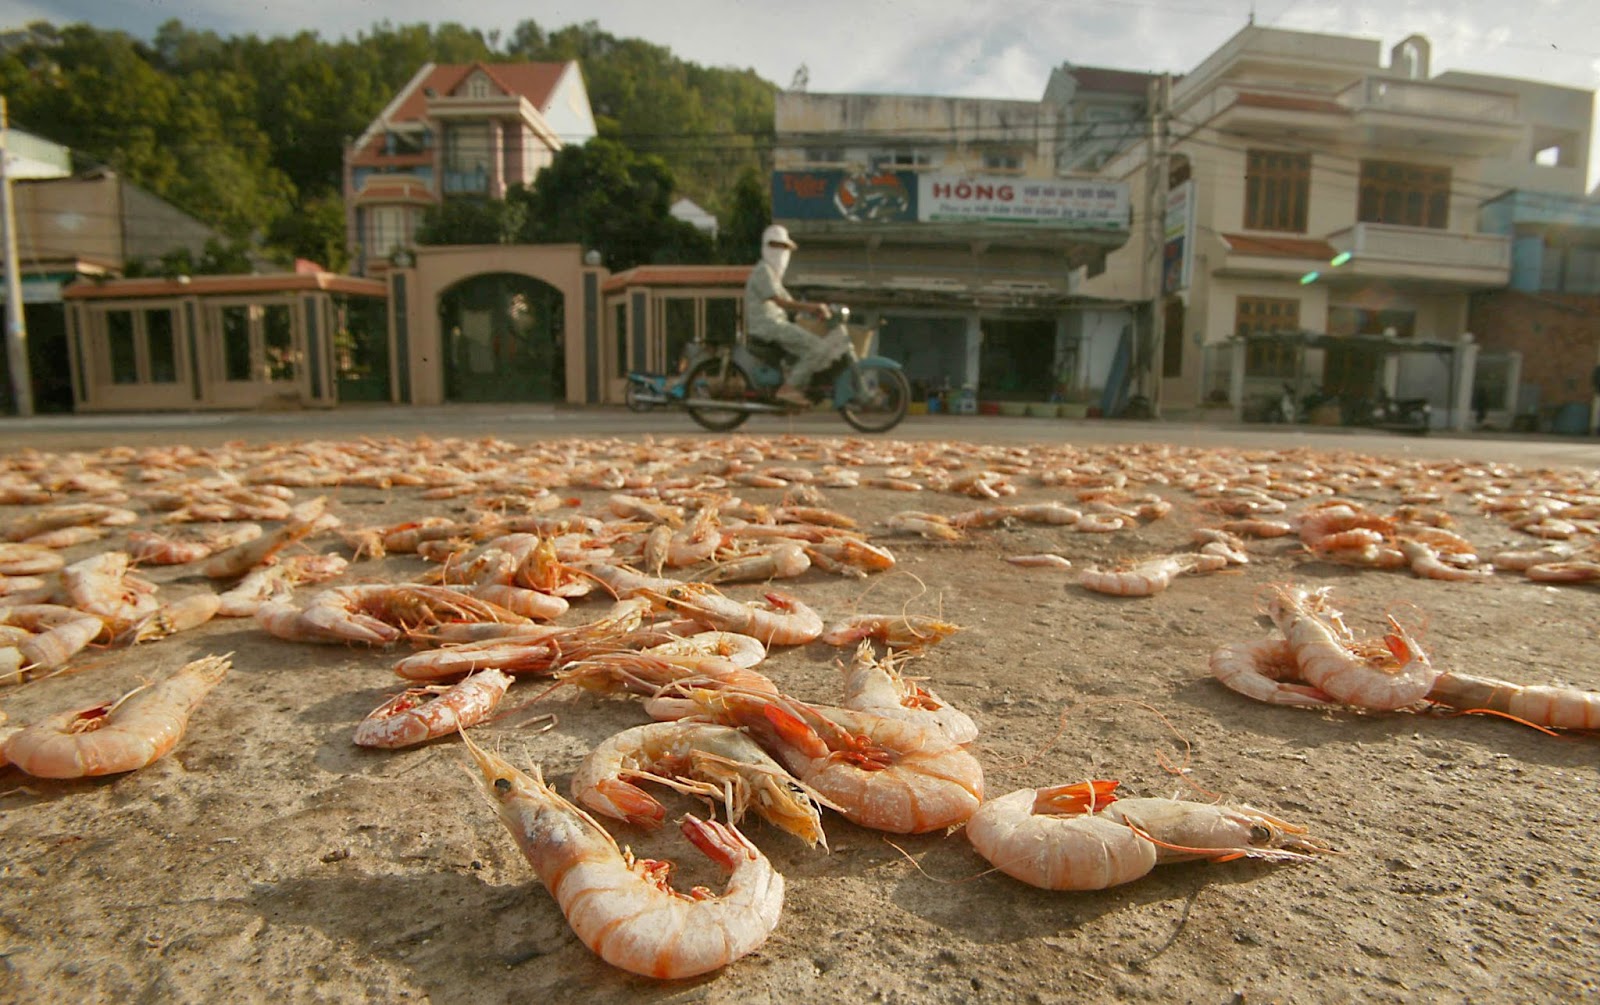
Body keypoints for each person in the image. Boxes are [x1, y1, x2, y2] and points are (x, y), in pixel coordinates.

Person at [744, 224, 851, 407]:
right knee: (816, 348)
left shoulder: (772, 275)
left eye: (784, 248)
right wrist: (812, 307)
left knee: (808, 345)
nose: (781, 252)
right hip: (768, 326)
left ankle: (795, 383)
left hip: (775, 325)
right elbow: (781, 302)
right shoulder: (763, 271)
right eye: (776, 246)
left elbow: (790, 302)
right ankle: (789, 388)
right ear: (766, 246)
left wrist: (813, 310)